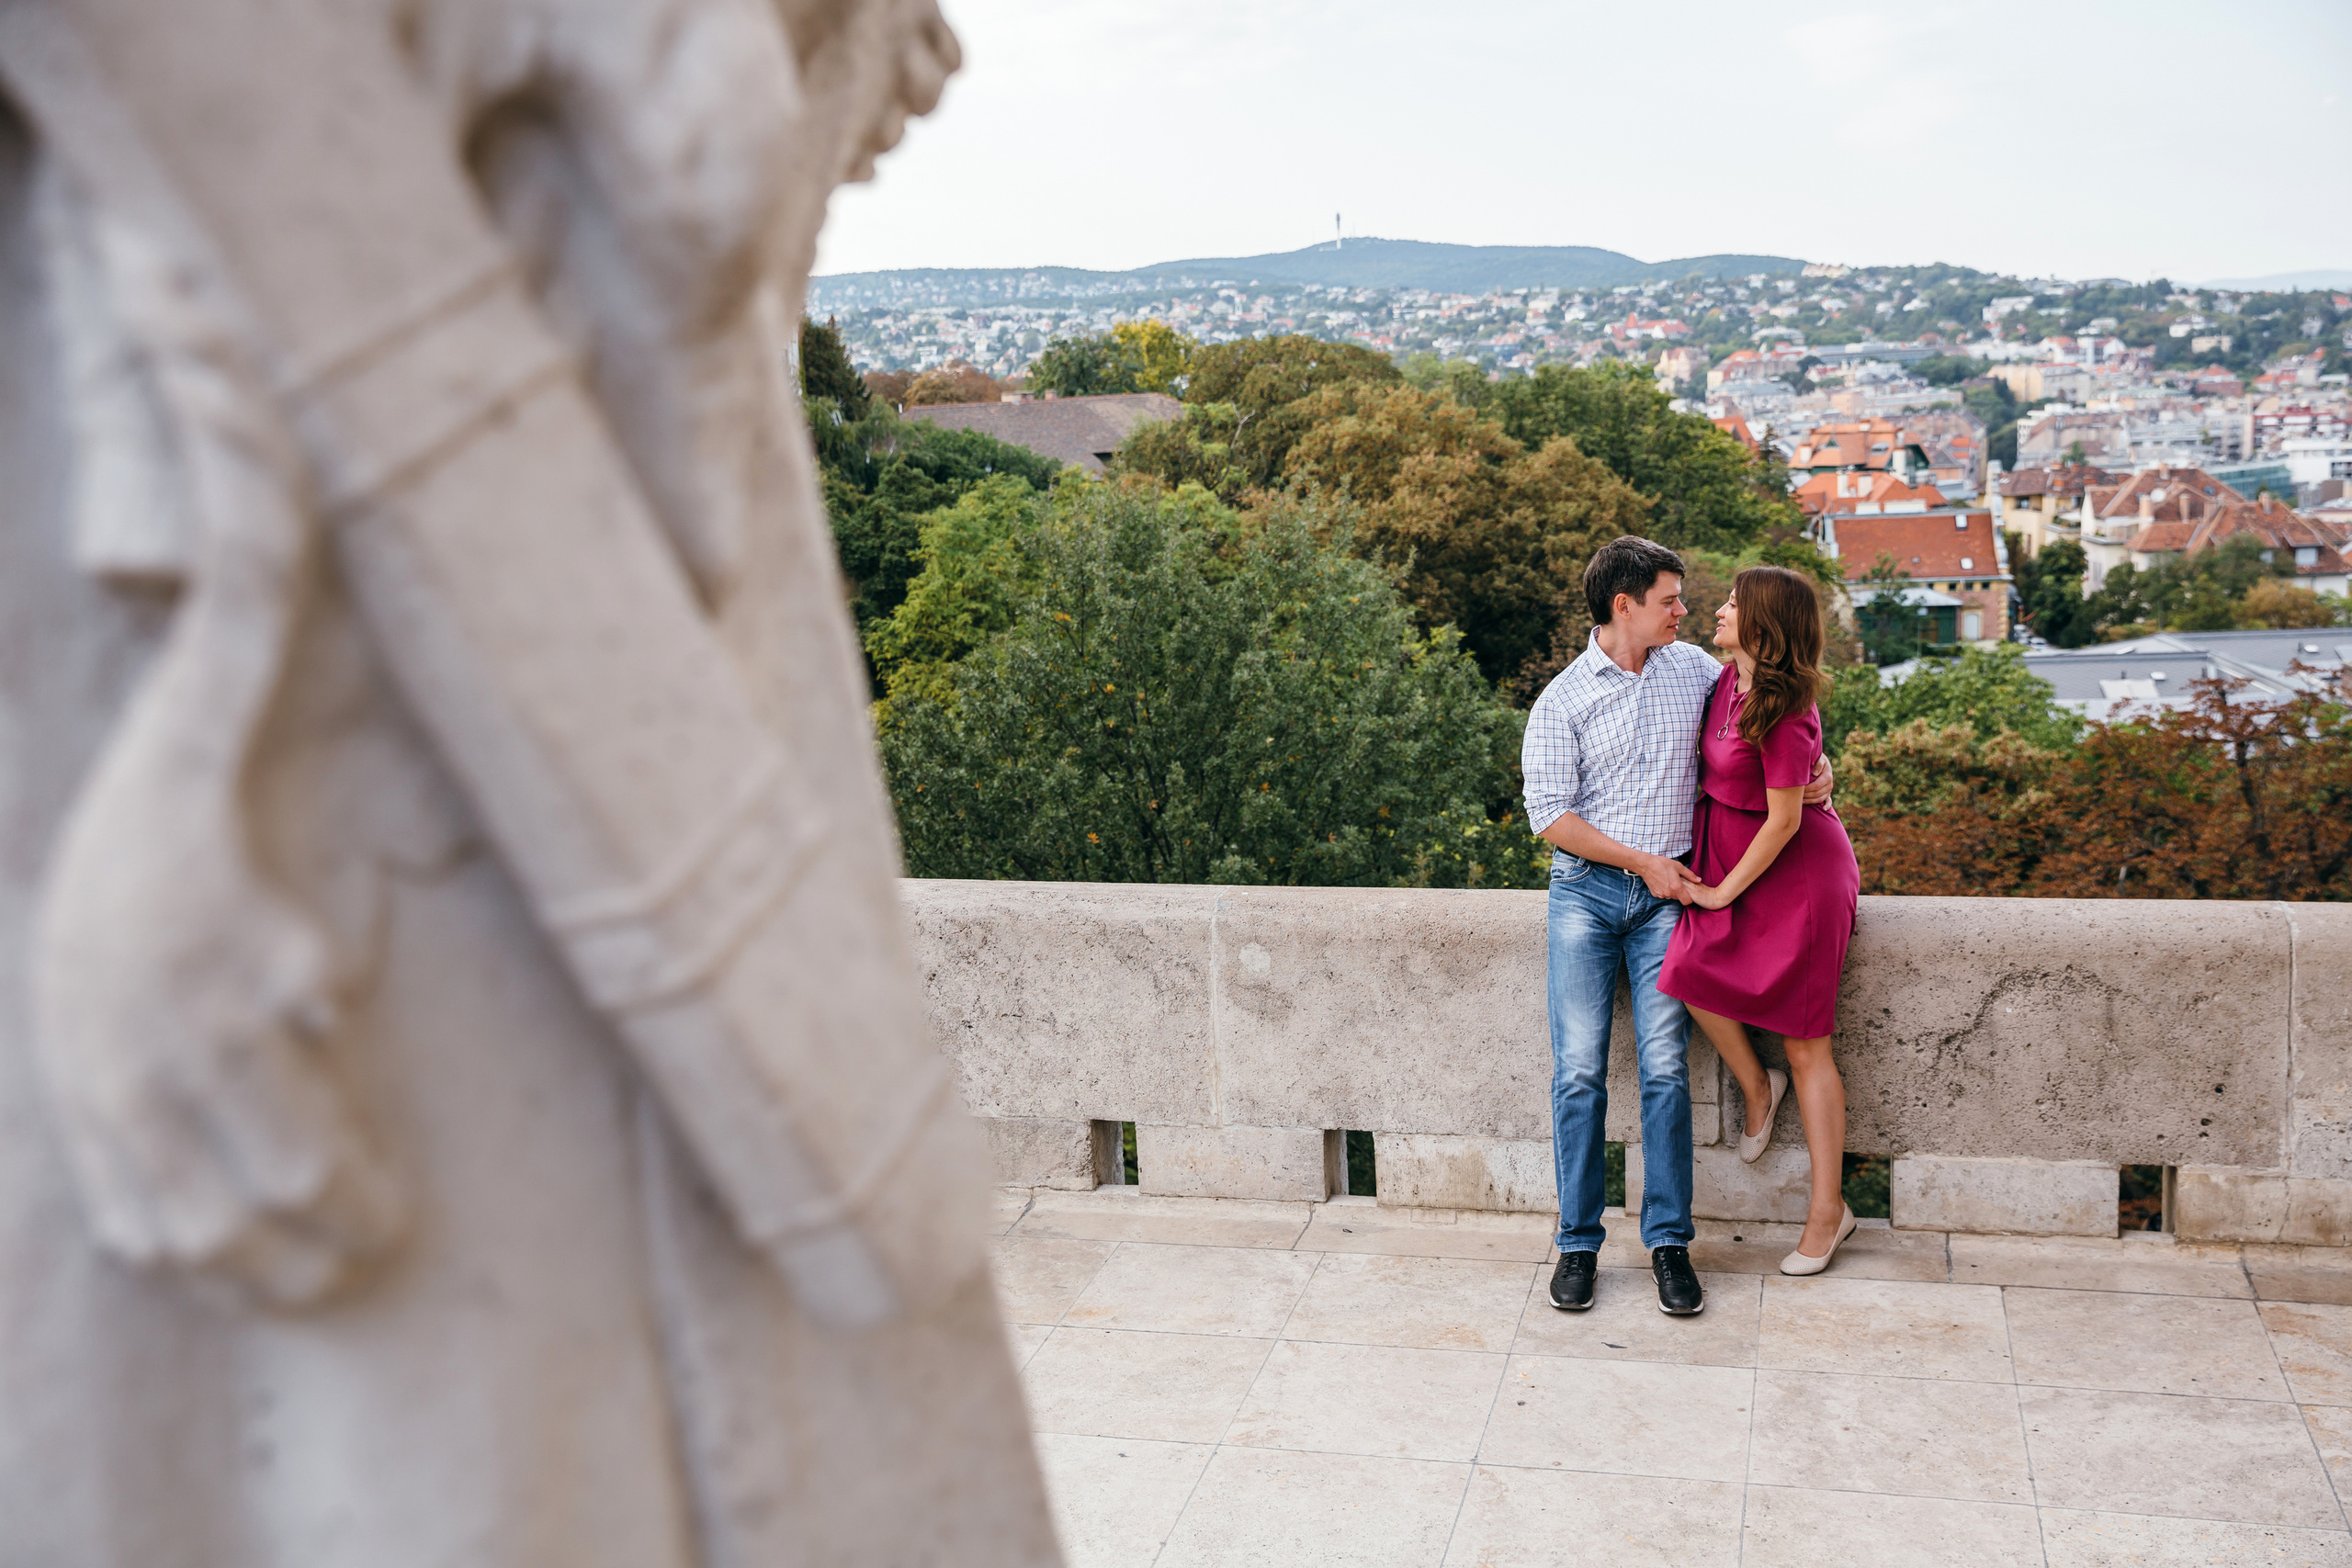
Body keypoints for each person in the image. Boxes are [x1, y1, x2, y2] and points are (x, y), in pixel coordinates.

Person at [1522, 538, 1831, 1317]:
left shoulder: (1695, 671)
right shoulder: (1563, 699)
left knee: (1665, 1070)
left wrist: (1826, 774)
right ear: (1623, 604)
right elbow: (1551, 818)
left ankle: (1669, 1244)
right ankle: (1578, 1244)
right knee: (1579, 1073)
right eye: (1670, 598)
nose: (1684, 611)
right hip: (1587, 897)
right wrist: (1643, 863)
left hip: (1670, 899)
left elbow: (1780, 712)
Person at [1659, 566, 1863, 1276]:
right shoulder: (1722, 681)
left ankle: (1827, 1212)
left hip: (1796, 874)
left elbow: (1783, 821)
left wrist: (1719, 895)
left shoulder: (1786, 705)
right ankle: (1756, 1086)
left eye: (1733, 605)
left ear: (1763, 624)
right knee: (1686, 970)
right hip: (1734, 850)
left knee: (1808, 1045)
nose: (1717, 610)